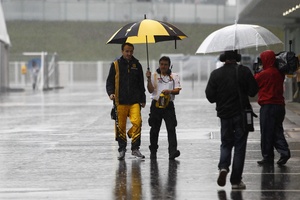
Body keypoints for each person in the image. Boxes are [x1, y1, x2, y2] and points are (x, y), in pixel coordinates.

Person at [205, 50, 258, 189]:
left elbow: (210, 96)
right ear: (238, 58)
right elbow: (253, 91)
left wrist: (221, 98)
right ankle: (235, 181)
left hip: (224, 115)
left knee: (226, 143)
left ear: (223, 59)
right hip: (241, 114)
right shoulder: (244, 71)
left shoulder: (216, 74)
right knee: (240, 147)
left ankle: (223, 167)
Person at [106, 42, 146, 160]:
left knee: (137, 122)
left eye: (131, 51)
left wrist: (142, 99)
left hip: (134, 101)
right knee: (121, 127)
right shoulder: (115, 65)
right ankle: (122, 149)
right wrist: (111, 93)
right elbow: (109, 82)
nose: (129, 53)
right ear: (122, 51)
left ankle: (135, 148)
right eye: (127, 51)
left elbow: (140, 84)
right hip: (120, 101)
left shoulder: (137, 65)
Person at [254, 50, 291, 166]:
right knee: (277, 130)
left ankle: (267, 157)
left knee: (266, 132)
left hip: (268, 106)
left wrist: (256, 71)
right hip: (280, 106)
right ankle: (284, 151)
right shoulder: (280, 73)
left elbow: (254, 83)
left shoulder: (263, 74)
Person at [146, 56, 181, 160]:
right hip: (156, 105)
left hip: (168, 105)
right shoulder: (154, 75)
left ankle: (172, 151)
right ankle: (153, 150)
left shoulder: (174, 76)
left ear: (169, 65)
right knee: (154, 129)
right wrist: (148, 79)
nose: (163, 66)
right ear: (159, 64)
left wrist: (169, 91)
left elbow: (177, 90)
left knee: (171, 128)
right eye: (162, 64)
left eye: (166, 64)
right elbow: (150, 90)